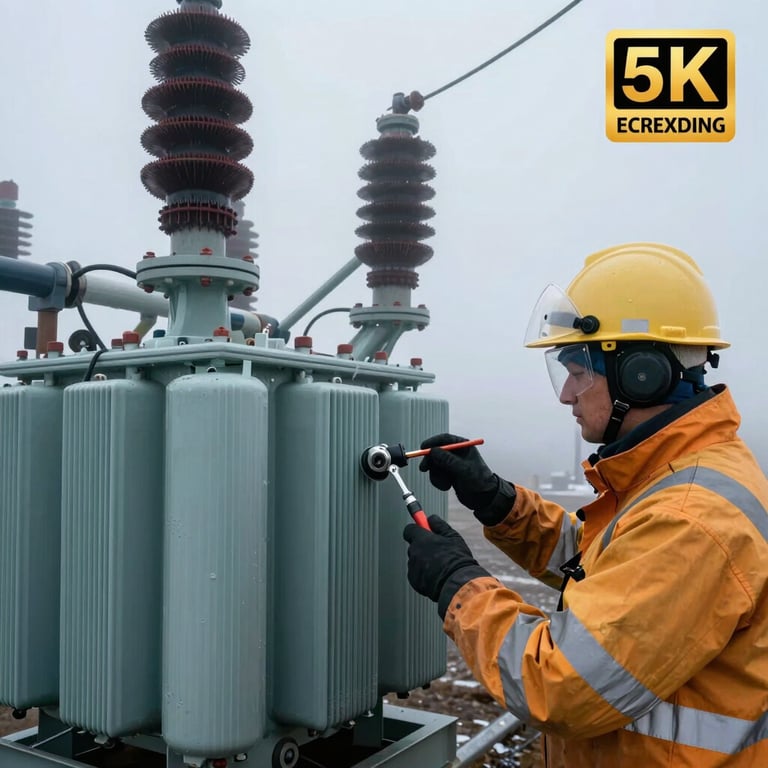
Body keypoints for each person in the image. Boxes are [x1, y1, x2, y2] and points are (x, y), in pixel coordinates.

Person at [402, 243, 768, 767]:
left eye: (578, 371)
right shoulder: (680, 475)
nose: (566, 394)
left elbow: (561, 685)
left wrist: (459, 585)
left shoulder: (690, 518)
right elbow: (606, 563)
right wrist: (498, 502)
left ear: (639, 373)